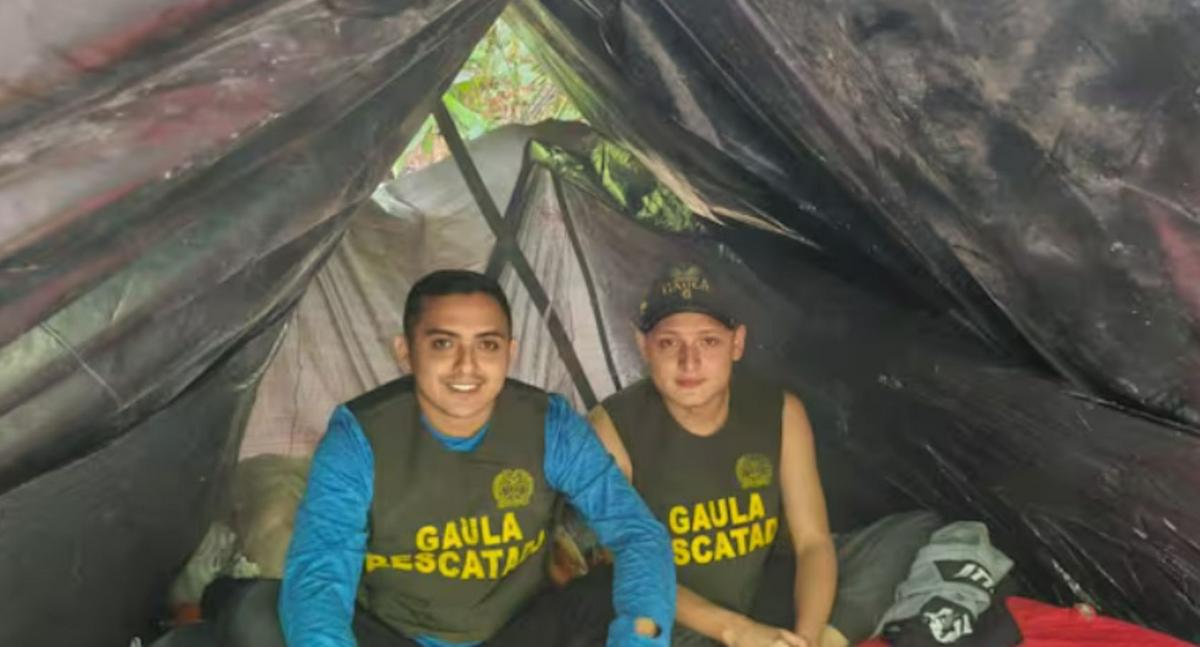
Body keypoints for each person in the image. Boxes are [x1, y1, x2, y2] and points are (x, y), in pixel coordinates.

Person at [213, 269, 675, 647]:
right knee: (265, 611)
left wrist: (637, 641)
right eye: (443, 344)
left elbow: (636, 533)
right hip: (396, 634)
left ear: (510, 353)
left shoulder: (548, 424)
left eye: (487, 345)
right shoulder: (360, 435)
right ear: (405, 352)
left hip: (515, 633)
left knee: (617, 595)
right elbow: (321, 570)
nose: (466, 366)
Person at [588, 263, 939, 647]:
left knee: (914, 533)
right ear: (643, 346)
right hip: (679, 621)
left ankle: (822, 640)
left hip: (764, 598)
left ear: (736, 343)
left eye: (709, 341)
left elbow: (813, 543)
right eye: (669, 343)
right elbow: (628, 566)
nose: (689, 362)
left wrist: (805, 636)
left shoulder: (781, 411)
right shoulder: (612, 428)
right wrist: (736, 631)